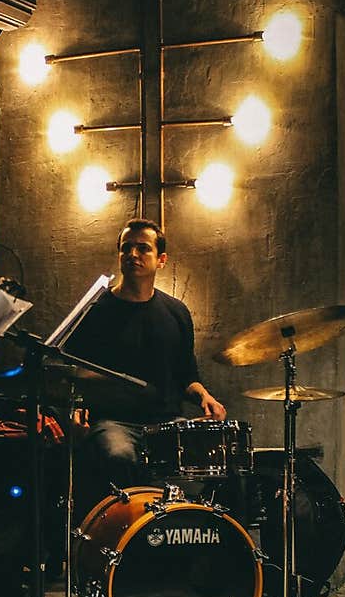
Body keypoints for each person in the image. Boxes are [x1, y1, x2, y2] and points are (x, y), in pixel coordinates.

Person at [63, 217, 226, 520]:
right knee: (119, 456)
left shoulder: (176, 312)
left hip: (166, 423)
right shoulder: (96, 311)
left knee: (210, 465)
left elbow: (187, 375)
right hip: (113, 422)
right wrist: (75, 408)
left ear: (161, 260)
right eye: (126, 248)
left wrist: (205, 396)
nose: (133, 255)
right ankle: (127, 539)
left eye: (143, 248)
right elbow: (69, 372)